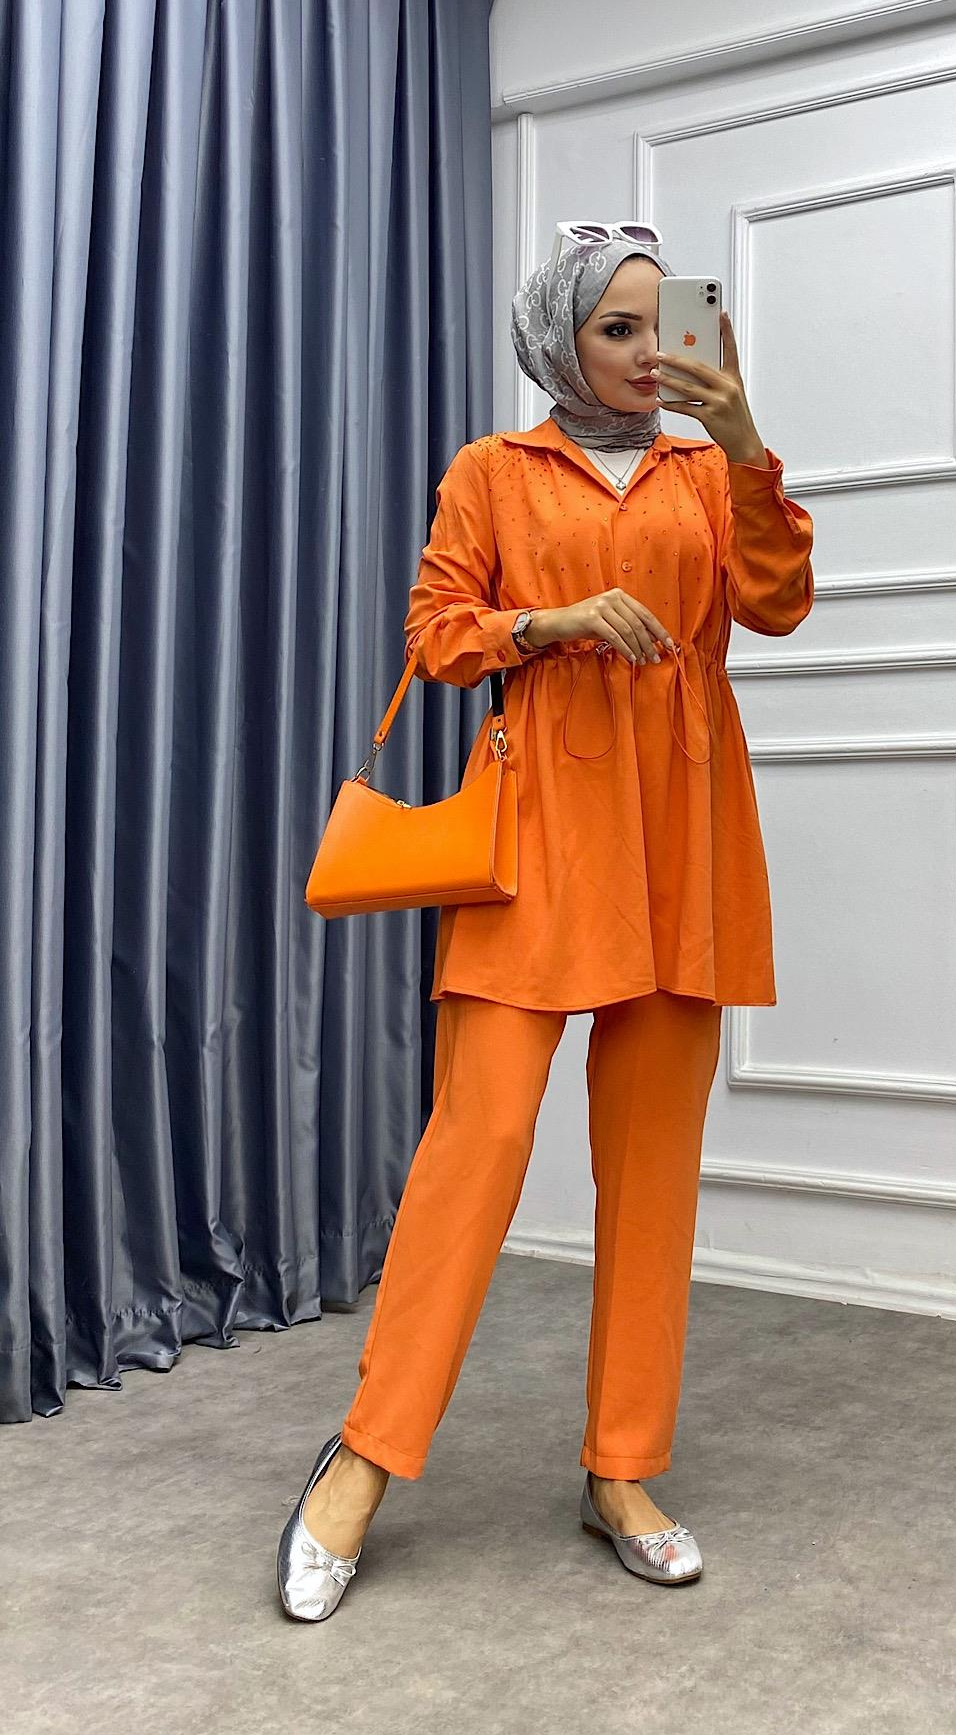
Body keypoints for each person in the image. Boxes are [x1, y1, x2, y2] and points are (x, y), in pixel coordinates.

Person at [276, 230, 815, 1620]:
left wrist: (743, 438)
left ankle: (623, 1469)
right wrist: (552, 621)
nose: (645, 354)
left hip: (682, 833)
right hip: (541, 833)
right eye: (615, 330)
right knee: (480, 1143)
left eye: (660, 326)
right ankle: (364, 1457)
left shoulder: (707, 470)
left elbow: (776, 605)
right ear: (559, 342)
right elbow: (436, 633)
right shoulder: (494, 471)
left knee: (652, 1165)